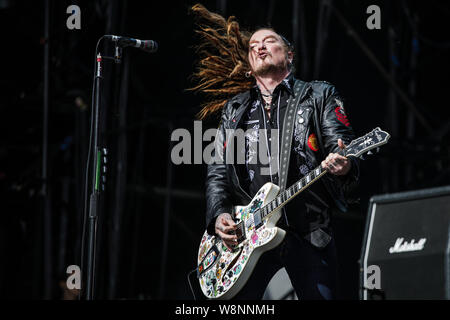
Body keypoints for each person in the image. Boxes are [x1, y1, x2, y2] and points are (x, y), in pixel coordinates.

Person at [190, 4, 359, 300]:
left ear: (289, 55)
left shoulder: (317, 95)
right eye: (254, 45)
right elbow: (218, 172)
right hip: (248, 234)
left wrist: (344, 165)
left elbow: (341, 148)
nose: (260, 47)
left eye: (269, 41)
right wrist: (218, 215)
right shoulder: (235, 110)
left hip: (307, 230)